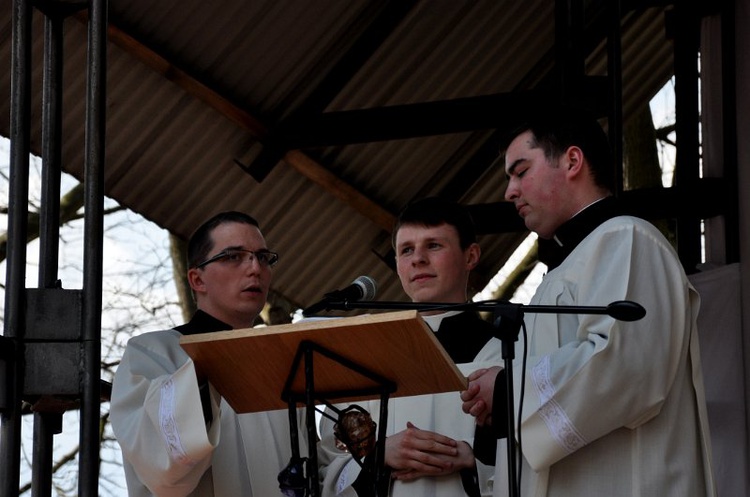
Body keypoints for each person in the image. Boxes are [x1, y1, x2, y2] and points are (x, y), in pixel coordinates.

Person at [460, 107, 717, 496]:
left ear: (572, 161)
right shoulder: (558, 276)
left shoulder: (628, 239)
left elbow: (626, 367)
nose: (509, 191)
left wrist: (509, 391)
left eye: (521, 171)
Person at [110, 211, 307, 496]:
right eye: (233, 256)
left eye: (263, 257)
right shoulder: (154, 353)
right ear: (197, 280)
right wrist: (204, 372)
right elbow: (160, 465)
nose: (255, 268)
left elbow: (312, 471)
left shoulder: (281, 369)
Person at [318, 197, 504, 497]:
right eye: (406, 250)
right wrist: (378, 457)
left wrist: (476, 461)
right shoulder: (364, 354)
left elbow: (538, 452)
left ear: (470, 256)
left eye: (433, 245)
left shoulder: (507, 351)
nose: (417, 259)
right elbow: (328, 465)